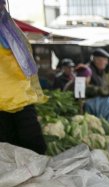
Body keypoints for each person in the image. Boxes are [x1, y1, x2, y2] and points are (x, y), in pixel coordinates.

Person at [0, 0, 46, 154]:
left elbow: (27, 65)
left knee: (33, 145)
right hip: (5, 103)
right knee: (9, 150)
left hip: (21, 98)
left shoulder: (11, 32)